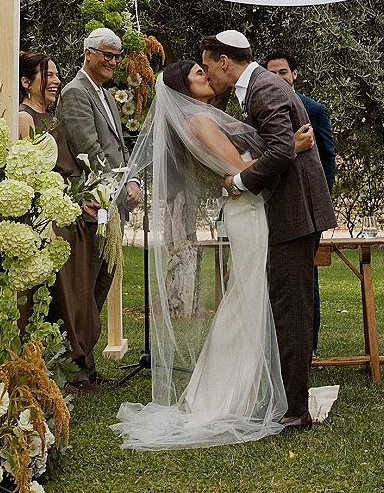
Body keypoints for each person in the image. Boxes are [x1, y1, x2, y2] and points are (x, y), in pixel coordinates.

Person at [112, 60, 317, 450]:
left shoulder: (210, 115)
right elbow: (240, 171)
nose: (206, 75)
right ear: (183, 90)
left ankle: (250, 389)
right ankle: (222, 397)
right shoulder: (200, 123)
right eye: (197, 74)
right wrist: (291, 146)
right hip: (249, 213)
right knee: (246, 301)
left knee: (250, 300)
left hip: (254, 210)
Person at [201, 31, 337, 430]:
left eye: (209, 65)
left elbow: (281, 150)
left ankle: (297, 411)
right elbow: (281, 145)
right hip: (292, 211)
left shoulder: (262, 87)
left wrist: (239, 183)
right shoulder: (260, 88)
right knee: (288, 303)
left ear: (225, 61)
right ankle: (292, 401)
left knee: (291, 307)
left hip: (296, 213)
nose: (208, 74)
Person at [57, 28, 142, 390]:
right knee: (88, 282)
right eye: (106, 54)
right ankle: (75, 370)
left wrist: (134, 181)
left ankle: (87, 367)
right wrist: (121, 189)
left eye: (116, 56)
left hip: (110, 204)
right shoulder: (75, 92)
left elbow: (119, 149)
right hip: (92, 205)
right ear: (88, 52)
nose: (112, 61)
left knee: (103, 281)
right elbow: (90, 151)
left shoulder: (105, 94)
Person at [18, 51, 101, 391]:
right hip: (49, 222)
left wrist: (87, 198)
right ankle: (63, 369)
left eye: (56, 75)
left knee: (81, 292)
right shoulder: (24, 119)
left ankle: (80, 365)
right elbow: (26, 176)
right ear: (26, 82)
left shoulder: (55, 118)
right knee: (64, 294)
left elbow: (72, 168)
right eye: (46, 75)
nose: (55, 81)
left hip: (73, 214)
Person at [265, 48, 335, 358]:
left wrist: (320, 200)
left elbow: (327, 158)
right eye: (271, 73)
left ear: (295, 74)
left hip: (306, 206)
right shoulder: (263, 107)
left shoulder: (314, 109)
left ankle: (310, 346)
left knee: (305, 278)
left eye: (282, 71)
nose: (277, 77)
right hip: (272, 205)